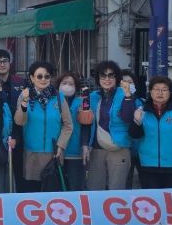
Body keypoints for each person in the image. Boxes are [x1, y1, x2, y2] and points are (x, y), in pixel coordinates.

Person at [15, 61, 73, 192]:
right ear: (32, 78)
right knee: (32, 193)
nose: (43, 79)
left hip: (54, 153)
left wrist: (61, 145)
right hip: (32, 154)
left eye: (47, 76)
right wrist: (24, 103)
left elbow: (68, 125)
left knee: (52, 193)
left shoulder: (58, 97)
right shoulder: (25, 96)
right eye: (39, 76)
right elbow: (19, 121)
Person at [129, 76, 172, 189]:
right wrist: (137, 122)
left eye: (164, 89)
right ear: (150, 92)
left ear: (170, 92)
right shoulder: (142, 110)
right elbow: (134, 135)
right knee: (151, 199)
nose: (160, 93)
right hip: (148, 165)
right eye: (156, 89)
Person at [83, 61, 135, 191]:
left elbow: (128, 118)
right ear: (98, 78)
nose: (107, 79)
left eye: (111, 75)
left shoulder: (124, 94)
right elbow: (86, 122)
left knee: (116, 189)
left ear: (117, 78)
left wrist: (128, 96)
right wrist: (85, 144)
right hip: (96, 148)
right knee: (94, 188)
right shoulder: (92, 97)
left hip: (119, 147)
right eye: (103, 76)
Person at [0, 49, 28, 191]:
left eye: (5, 61)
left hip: (20, 133)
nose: (2, 64)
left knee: (21, 175)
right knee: (0, 176)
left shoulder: (21, 82)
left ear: (10, 63)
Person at [55, 72, 88, 191]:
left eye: (71, 84)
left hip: (75, 152)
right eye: (64, 83)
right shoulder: (53, 102)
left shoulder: (82, 102)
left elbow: (87, 125)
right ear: (58, 85)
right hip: (57, 151)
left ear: (76, 87)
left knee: (75, 187)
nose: (67, 86)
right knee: (58, 188)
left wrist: (85, 145)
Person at [121, 69, 143, 189]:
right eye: (124, 82)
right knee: (125, 182)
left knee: (144, 182)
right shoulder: (116, 103)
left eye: (130, 82)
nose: (127, 85)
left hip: (140, 149)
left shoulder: (141, 102)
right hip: (123, 148)